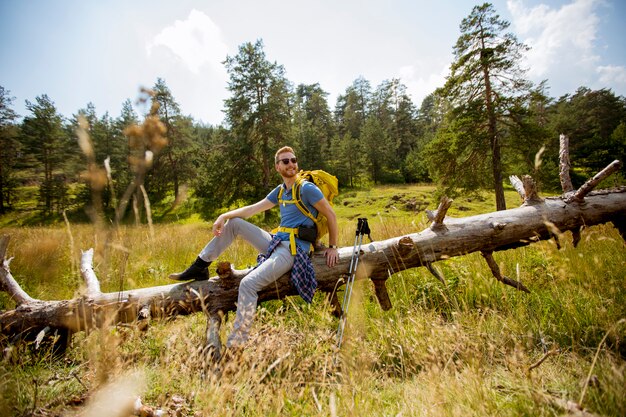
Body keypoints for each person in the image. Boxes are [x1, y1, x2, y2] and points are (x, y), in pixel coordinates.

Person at [169, 146, 339, 348]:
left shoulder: (307, 189)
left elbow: (331, 215)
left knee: (248, 284)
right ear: (277, 167)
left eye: (293, 160)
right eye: (285, 161)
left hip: (292, 250)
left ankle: (236, 345)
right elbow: (252, 210)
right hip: (275, 241)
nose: (291, 164)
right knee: (235, 224)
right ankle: (200, 265)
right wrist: (224, 216)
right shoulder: (281, 191)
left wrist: (333, 247)